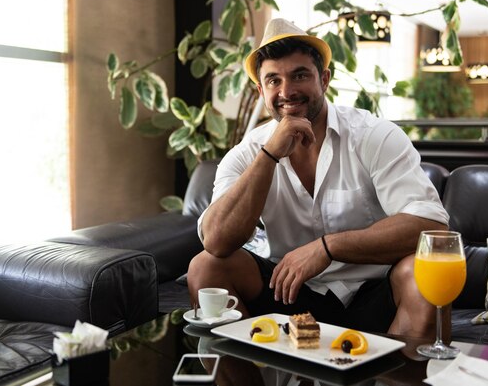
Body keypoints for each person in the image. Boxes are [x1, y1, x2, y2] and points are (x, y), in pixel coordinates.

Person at [187, 18, 449, 336]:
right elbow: (215, 240)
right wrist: (269, 155)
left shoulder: (375, 136)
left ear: (323, 79)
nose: (287, 91)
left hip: (376, 295)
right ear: (261, 90)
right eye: (273, 80)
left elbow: (431, 227)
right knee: (206, 266)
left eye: (300, 75)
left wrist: (328, 247)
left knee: (423, 269)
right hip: (288, 294)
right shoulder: (248, 153)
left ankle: (397, 378)